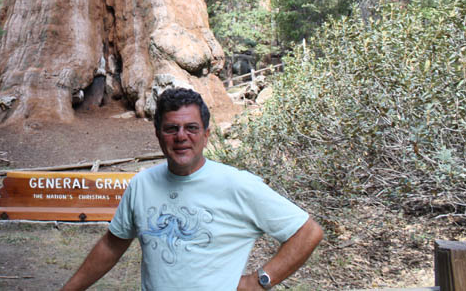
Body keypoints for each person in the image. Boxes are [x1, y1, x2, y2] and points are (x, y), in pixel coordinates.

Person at [60, 87, 323, 291]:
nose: (181, 136)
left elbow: (307, 232)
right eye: (171, 128)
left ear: (206, 134)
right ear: (158, 134)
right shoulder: (142, 184)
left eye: (191, 128)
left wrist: (261, 280)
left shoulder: (237, 185)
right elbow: (112, 245)